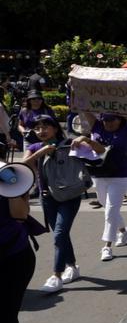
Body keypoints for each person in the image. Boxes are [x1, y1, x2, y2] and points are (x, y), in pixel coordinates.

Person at [23, 116, 85, 294]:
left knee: (59, 234)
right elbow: (21, 165)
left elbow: (100, 152)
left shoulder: (69, 143)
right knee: (61, 234)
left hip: (70, 196)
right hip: (47, 198)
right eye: (37, 128)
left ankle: (56, 276)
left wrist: (85, 139)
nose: (41, 131)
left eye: (45, 127)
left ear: (56, 128)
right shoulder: (35, 147)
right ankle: (72, 266)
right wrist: (40, 153)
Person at [75, 112, 127, 261]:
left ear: (120, 119)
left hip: (120, 175)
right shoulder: (97, 126)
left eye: (112, 119)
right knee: (106, 206)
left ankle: (107, 246)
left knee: (110, 210)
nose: (108, 122)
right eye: (105, 119)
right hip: (99, 173)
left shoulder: (126, 129)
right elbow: (84, 107)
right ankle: (124, 231)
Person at [0, 164, 35, 323]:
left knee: (5, 316)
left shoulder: (7, 174)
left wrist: (10, 187)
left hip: (12, 258)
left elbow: (21, 214)